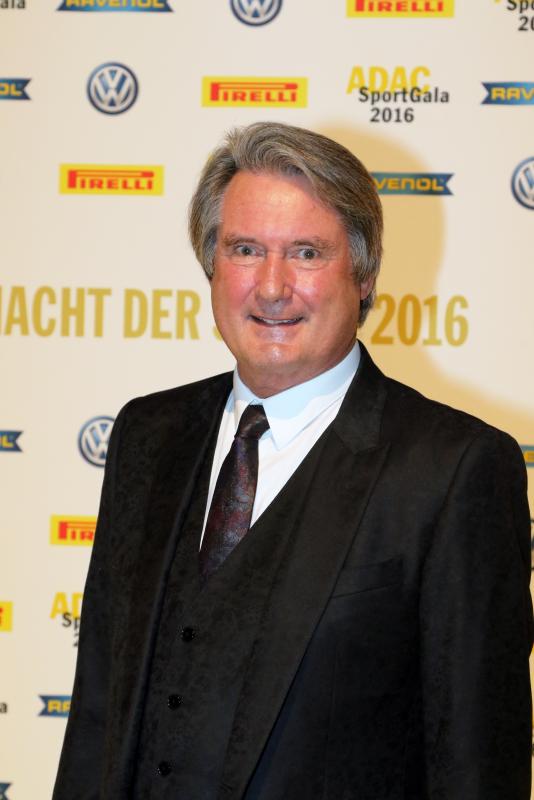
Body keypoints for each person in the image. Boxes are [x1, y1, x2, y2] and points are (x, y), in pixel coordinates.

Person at [52, 121, 532, 800]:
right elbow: (96, 720)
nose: (272, 287)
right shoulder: (146, 436)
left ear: (363, 275)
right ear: (212, 266)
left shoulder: (454, 471)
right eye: (245, 249)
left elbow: (477, 769)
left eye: (306, 253)